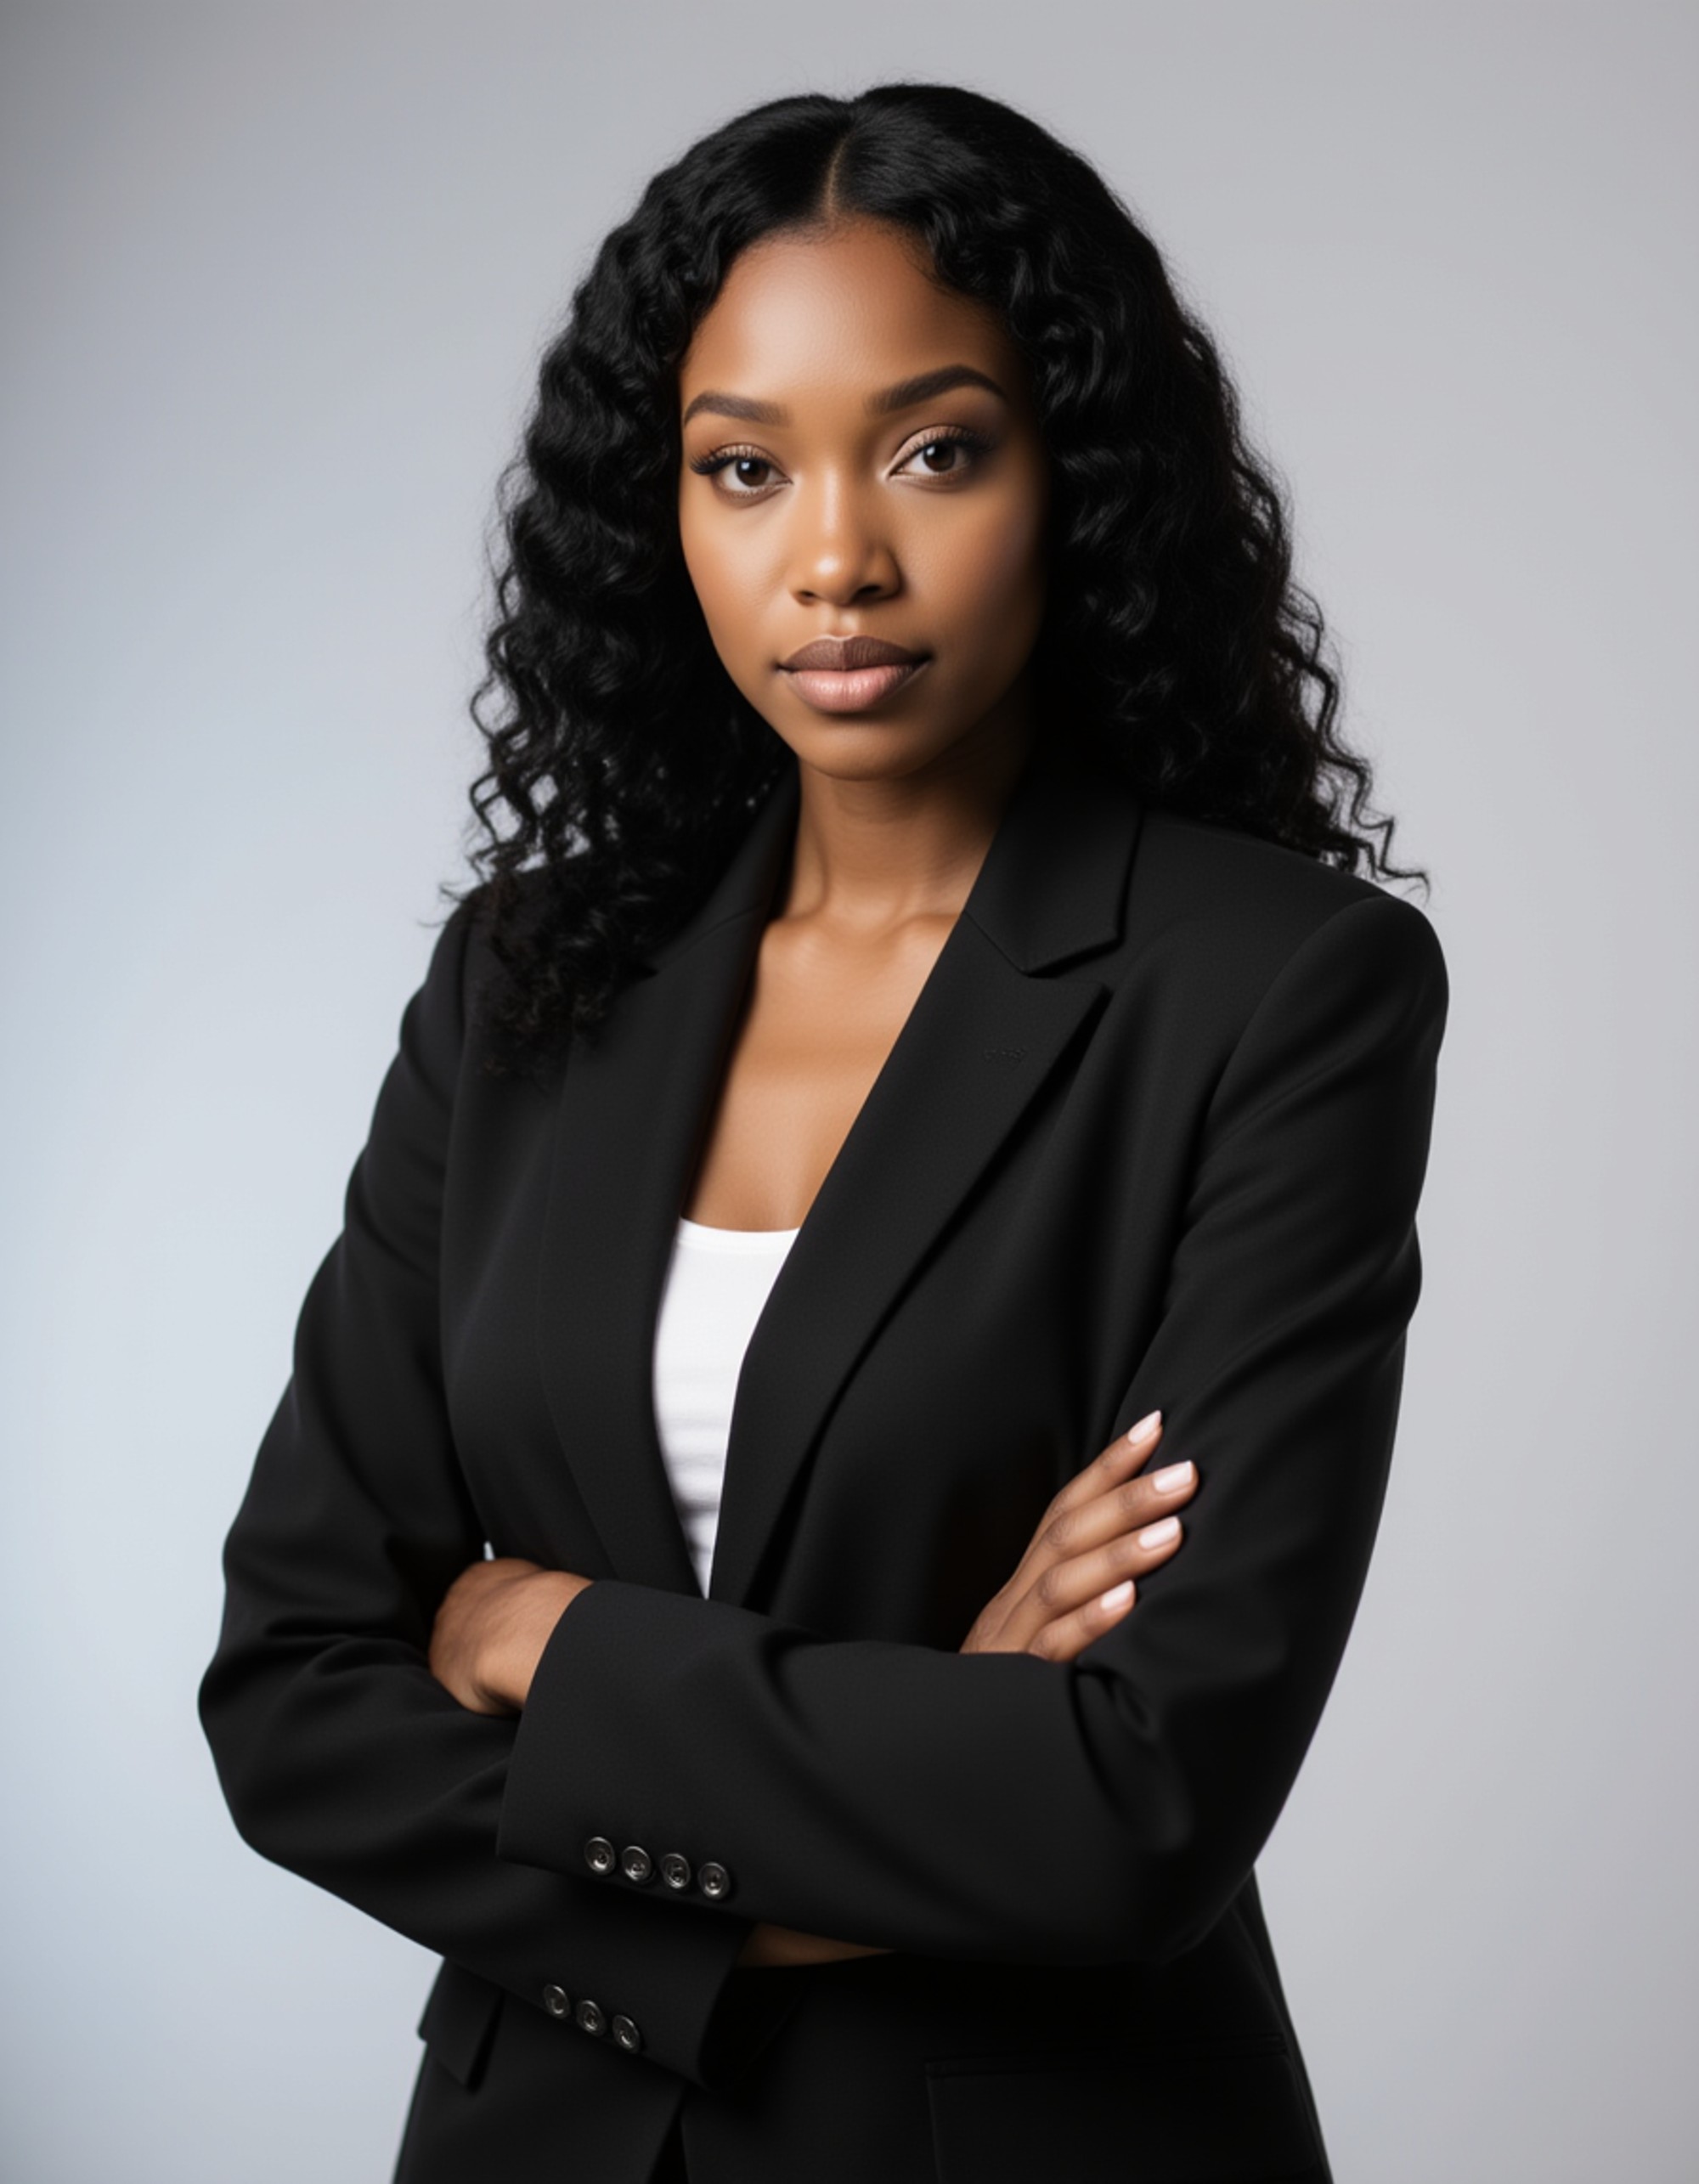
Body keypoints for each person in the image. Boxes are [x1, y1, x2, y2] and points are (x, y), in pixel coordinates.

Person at [200, 81, 1447, 2184]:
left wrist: (545, 1635)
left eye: (936, 449)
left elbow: (1128, 1800)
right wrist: (862, 1804)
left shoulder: (1278, 991)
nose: (838, 557)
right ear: (659, 511)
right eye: (744, 469)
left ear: (1080, 476)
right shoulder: (524, 984)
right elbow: (296, 1695)